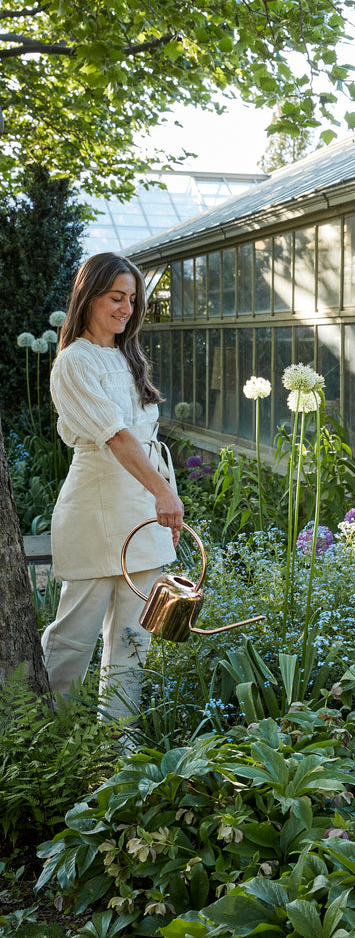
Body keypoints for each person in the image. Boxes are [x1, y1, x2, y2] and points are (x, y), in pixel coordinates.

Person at [40, 252, 184, 720]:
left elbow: (144, 441)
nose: (126, 308)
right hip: (96, 508)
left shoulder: (124, 357)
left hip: (140, 510)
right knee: (74, 636)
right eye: (115, 297)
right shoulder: (74, 362)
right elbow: (118, 438)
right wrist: (163, 493)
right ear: (89, 296)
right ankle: (51, 736)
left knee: (133, 639)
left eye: (132, 299)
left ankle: (117, 751)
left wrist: (166, 502)